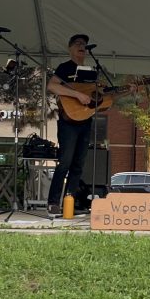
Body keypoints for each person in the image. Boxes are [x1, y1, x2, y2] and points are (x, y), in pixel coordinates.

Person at [45, 34, 97, 216]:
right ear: (70, 48)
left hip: (85, 122)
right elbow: (51, 86)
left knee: (78, 165)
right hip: (68, 123)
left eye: (84, 44)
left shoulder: (91, 70)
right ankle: (53, 202)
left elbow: (98, 97)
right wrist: (77, 95)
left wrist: (126, 91)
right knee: (65, 162)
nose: (82, 46)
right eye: (78, 43)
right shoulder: (64, 68)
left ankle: (70, 201)